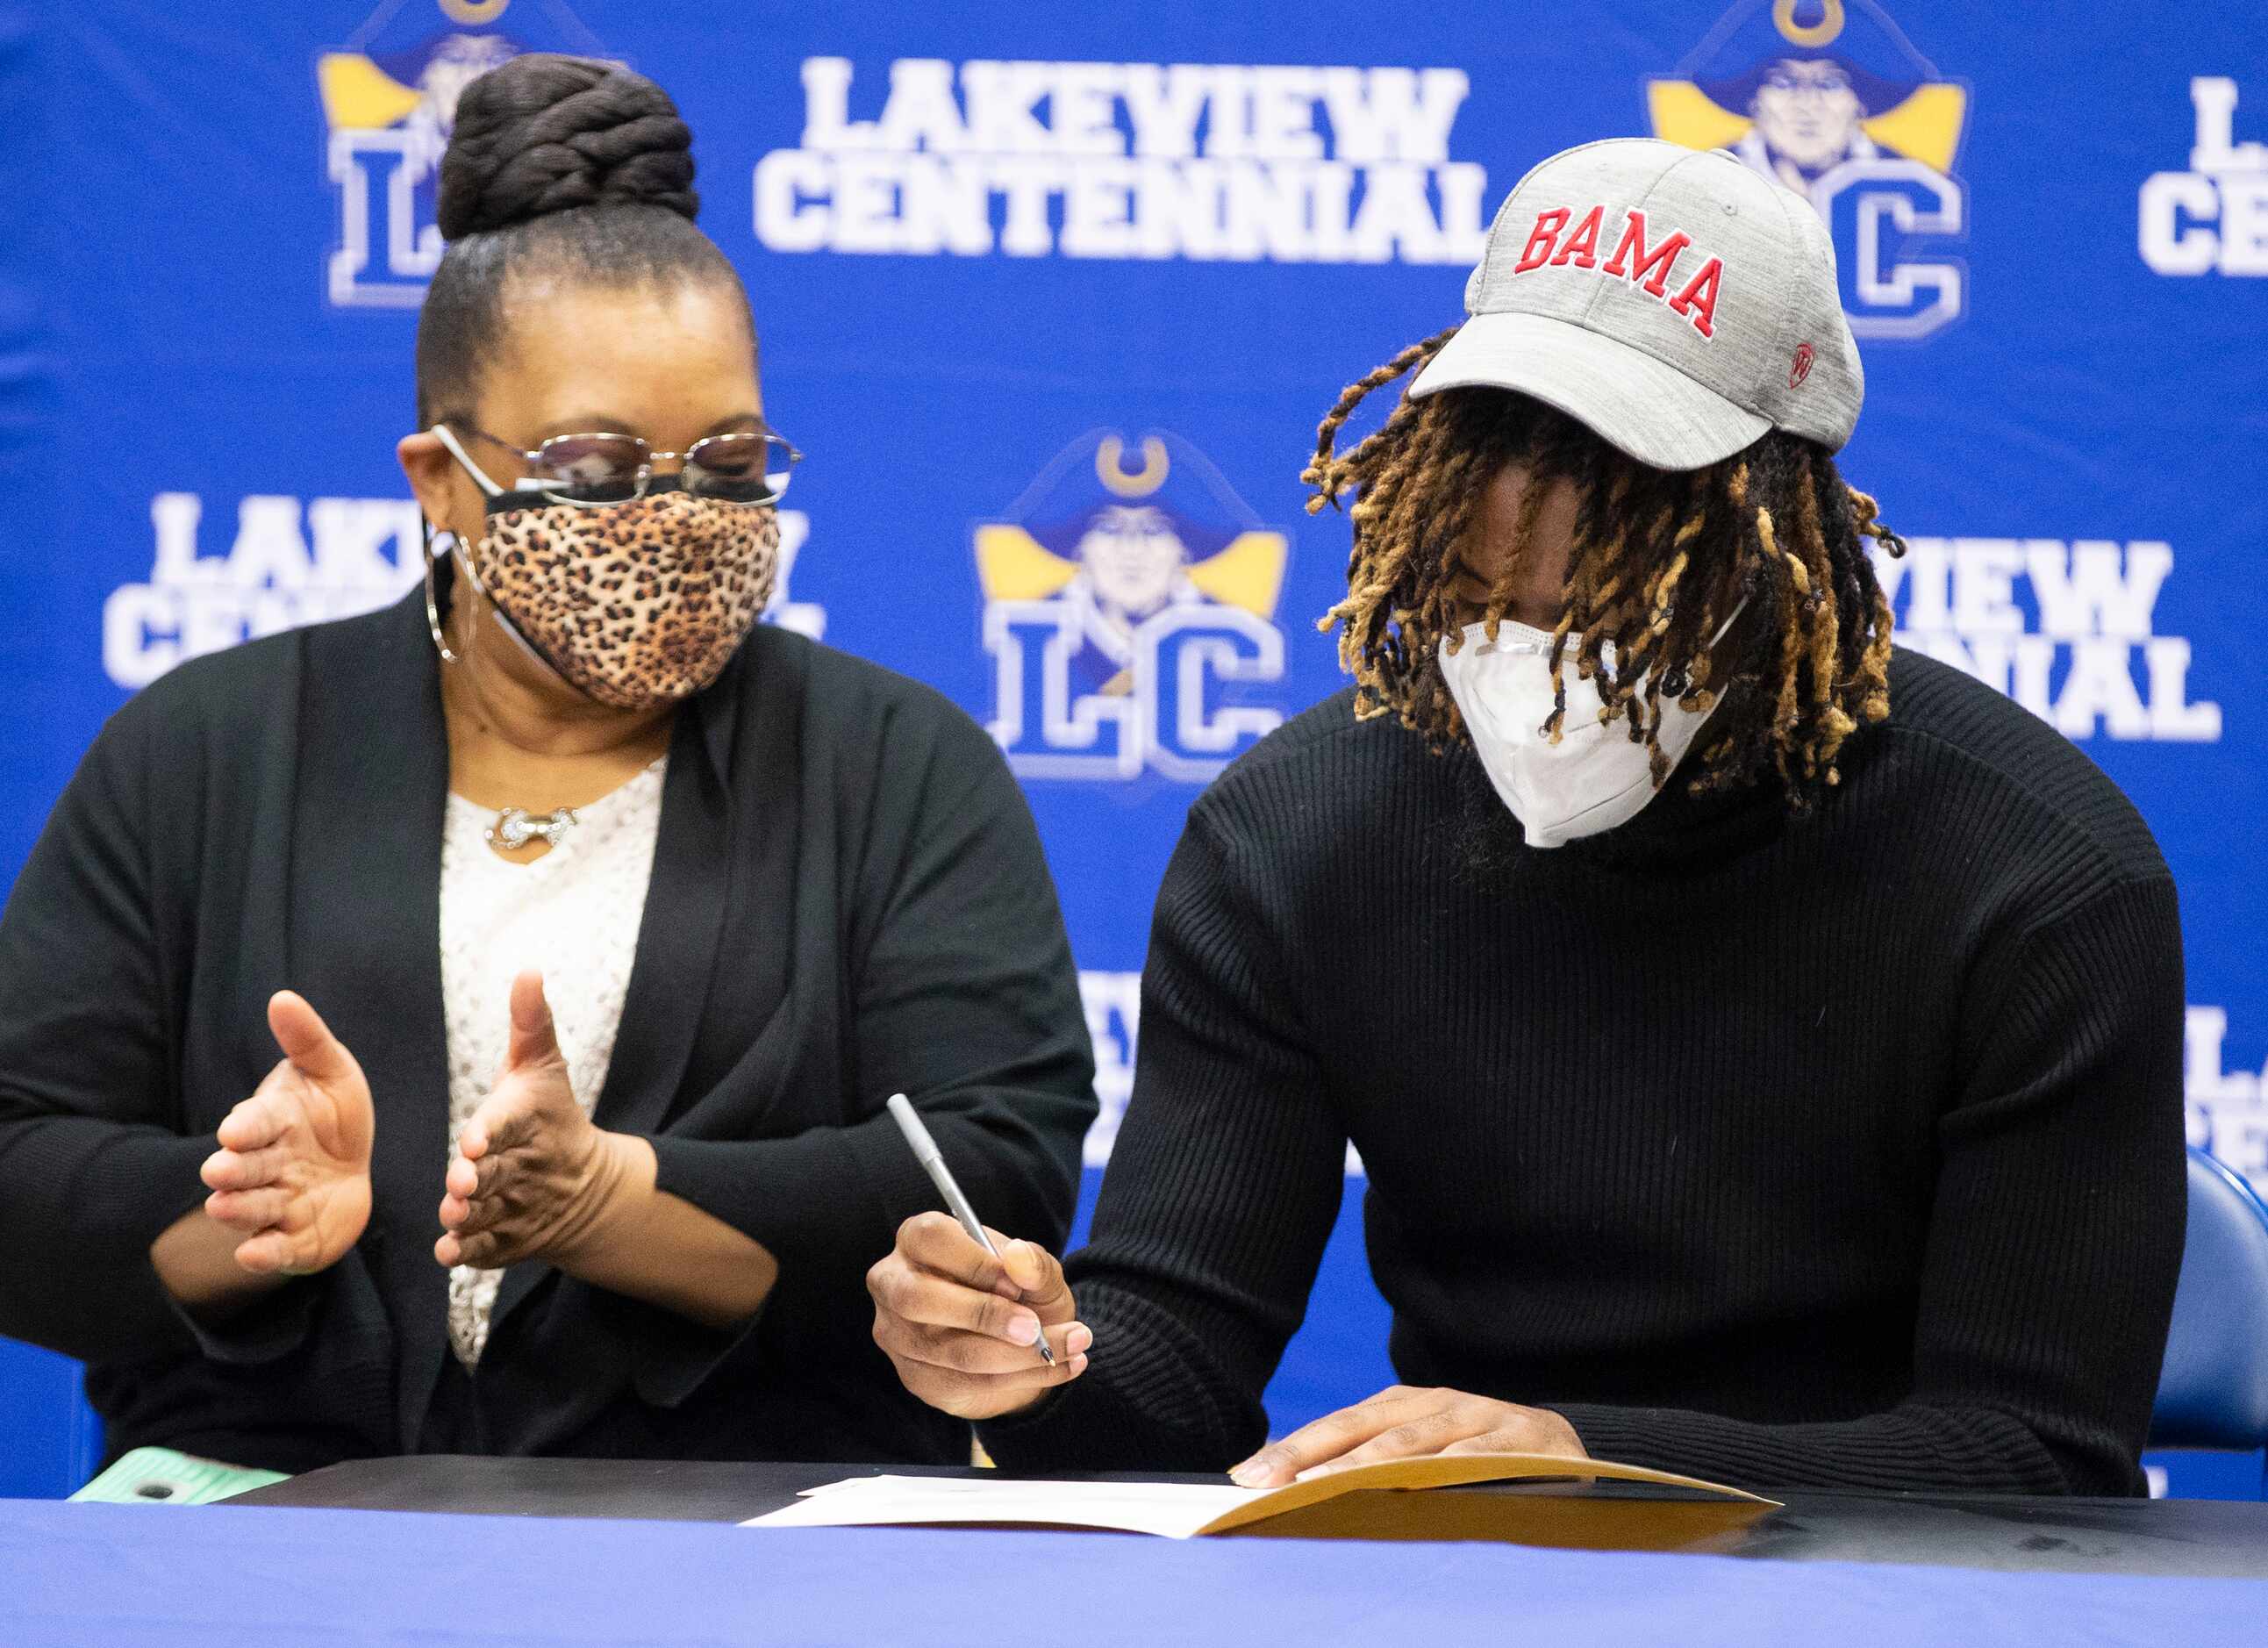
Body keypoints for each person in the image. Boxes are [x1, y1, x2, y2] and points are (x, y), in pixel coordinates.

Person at [866, 139, 2186, 1495]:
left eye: (1609, 616)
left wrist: (1584, 1455)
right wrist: (1032, 1364)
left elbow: (2036, 1453)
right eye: (1479, 604)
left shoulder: (2039, 876)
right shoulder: (1294, 832)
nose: (1532, 670)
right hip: (1467, 1575)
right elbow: (1178, 1360)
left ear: (1782, 542)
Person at [0, 54, 1094, 1473]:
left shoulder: (894, 766)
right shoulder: (206, 749)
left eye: (729, 459)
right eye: (592, 466)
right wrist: (247, 1213)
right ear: (443, 478)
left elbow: (992, 1164)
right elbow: (17, 1160)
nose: (674, 515)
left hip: (741, 1530)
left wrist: (612, 1204)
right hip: (263, 1518)